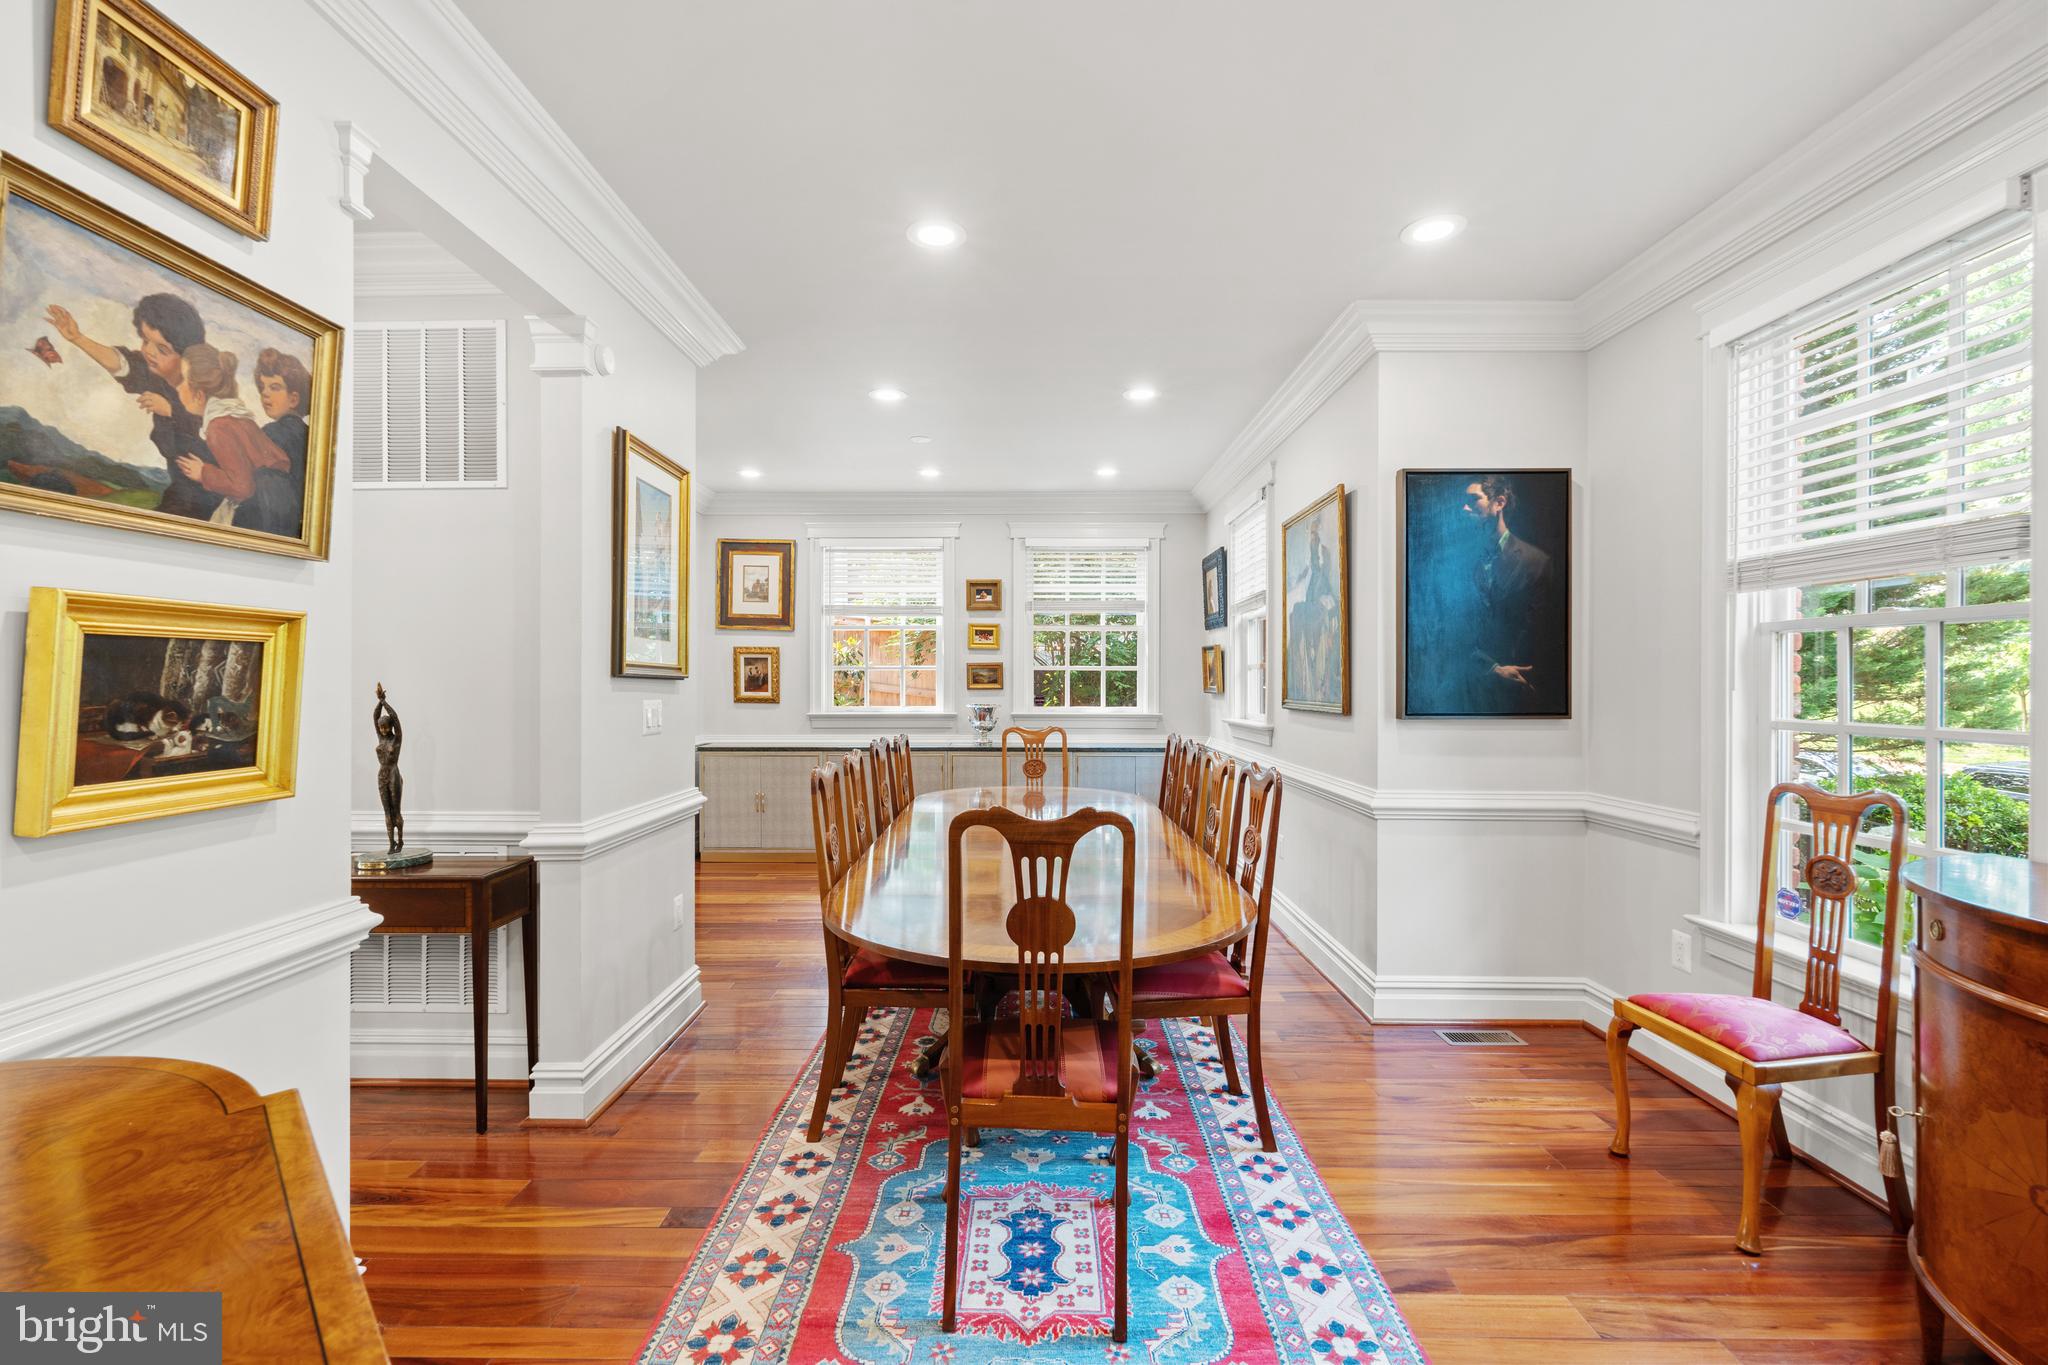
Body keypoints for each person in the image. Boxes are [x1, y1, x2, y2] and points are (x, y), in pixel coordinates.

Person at [42, 293, 220, 519]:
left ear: (187, 357)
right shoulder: (157, 376)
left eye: (162, 349)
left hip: (211, 494)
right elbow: (124, 364)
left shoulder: (206, 389)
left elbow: (219, 441)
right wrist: (77, 337)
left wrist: (172, 411)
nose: (149, 352)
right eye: (146, 340)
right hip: (181, 490)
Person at [1458, 475, 1563, 713]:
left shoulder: (1536, 562)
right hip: (1467, 693)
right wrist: (1490, 668)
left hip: (1521, 695)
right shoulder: (1457, 563)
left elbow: (1544, 638)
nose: (1464, 507)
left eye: (1473, 500)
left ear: (1499, 503)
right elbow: (1452, 634)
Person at [171, 344, 293, 532]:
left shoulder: (218, 427)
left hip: (258, 513)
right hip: (276, 505)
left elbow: (243, 487)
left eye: (183, 380)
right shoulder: (237, 417)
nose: (178, 387)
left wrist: (203, 472)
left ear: (199, 394)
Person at [252, 348, 312, 537]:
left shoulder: (273, 433)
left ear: (294, 399)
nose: (265, 394)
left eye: (274, 387)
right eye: (263, 387)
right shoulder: (309, 435)